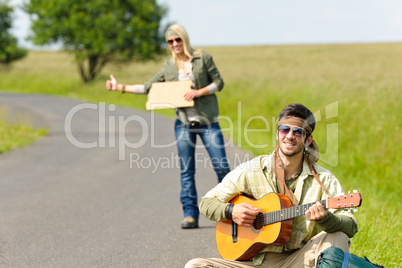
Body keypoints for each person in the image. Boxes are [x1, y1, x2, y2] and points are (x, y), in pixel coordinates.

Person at [185, 103, 358, 267]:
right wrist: (232, 211)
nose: (290, 136)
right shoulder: (252, 169)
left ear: (308, 140)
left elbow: (350, 225)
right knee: (195, 265)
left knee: (337, 237)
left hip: (299, 261)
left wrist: (327, 219)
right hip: (252, 262)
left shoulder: (324, 179)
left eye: (298, 132)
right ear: (277, 134)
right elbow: (206, 203)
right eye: (285, 129)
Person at [106, 24, 230, 229]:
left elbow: (219, 83)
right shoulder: (169, 67)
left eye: (177, 40)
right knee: (187, 170)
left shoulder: (202, 58)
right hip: (183, 124)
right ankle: (190, 214)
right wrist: (119, 87)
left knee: (222, 166)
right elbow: (148, 88)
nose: (174, 44)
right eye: (170, 41)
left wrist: (199, 92)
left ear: (184, 39)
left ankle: (230, 209)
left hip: (208, 122)